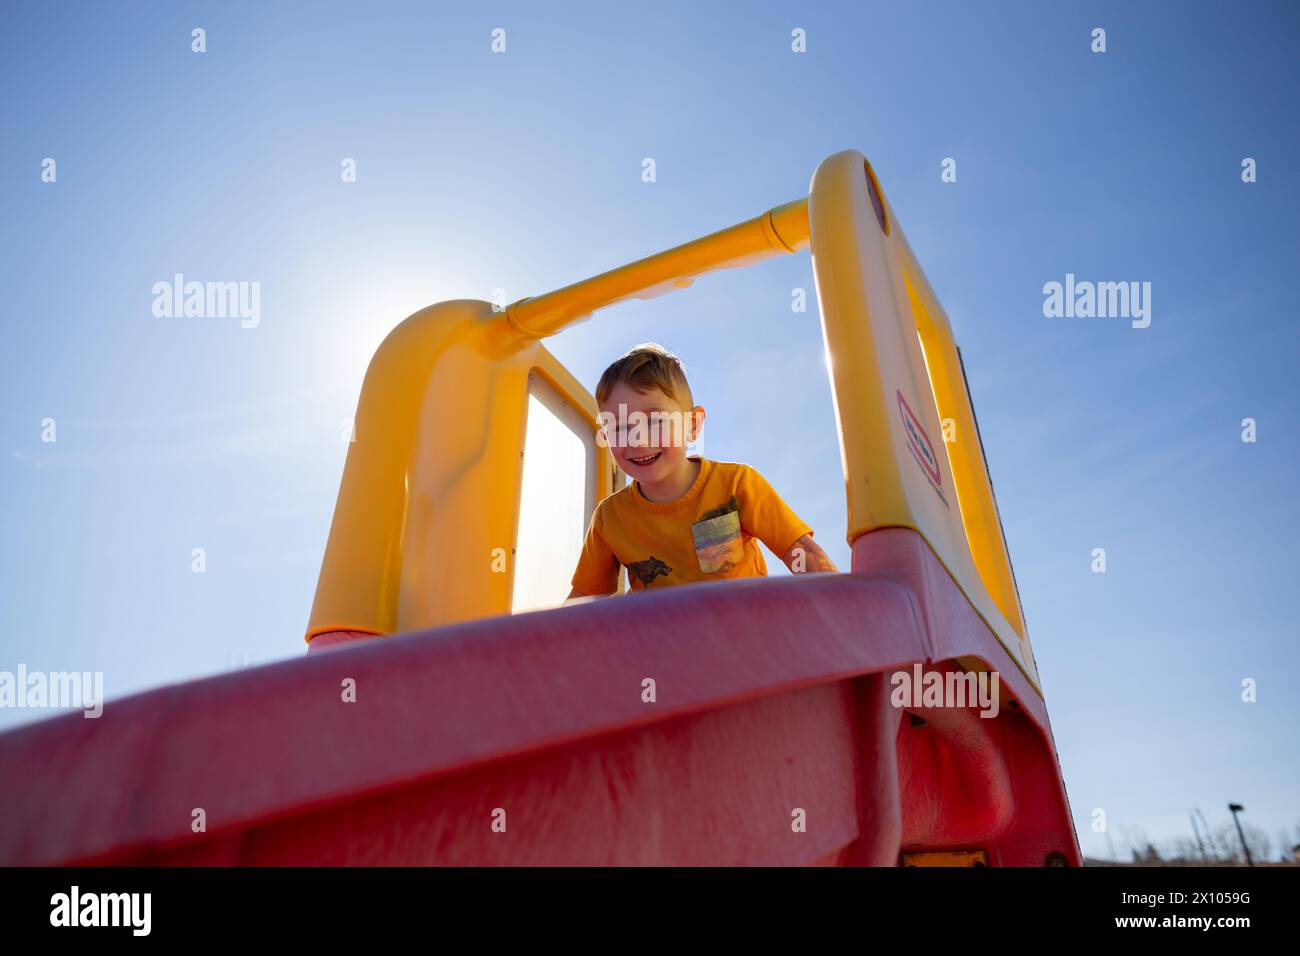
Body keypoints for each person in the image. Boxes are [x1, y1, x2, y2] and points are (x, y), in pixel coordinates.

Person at [567, 343, 837, 598]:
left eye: (655, 421)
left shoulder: (735, 485)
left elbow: (801, 553)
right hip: (660, 644)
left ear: (693, 424)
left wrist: (839, 606)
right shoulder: (610, 519)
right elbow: (583, 601)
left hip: (745, 635)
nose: (638, 439)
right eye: (620, 428)